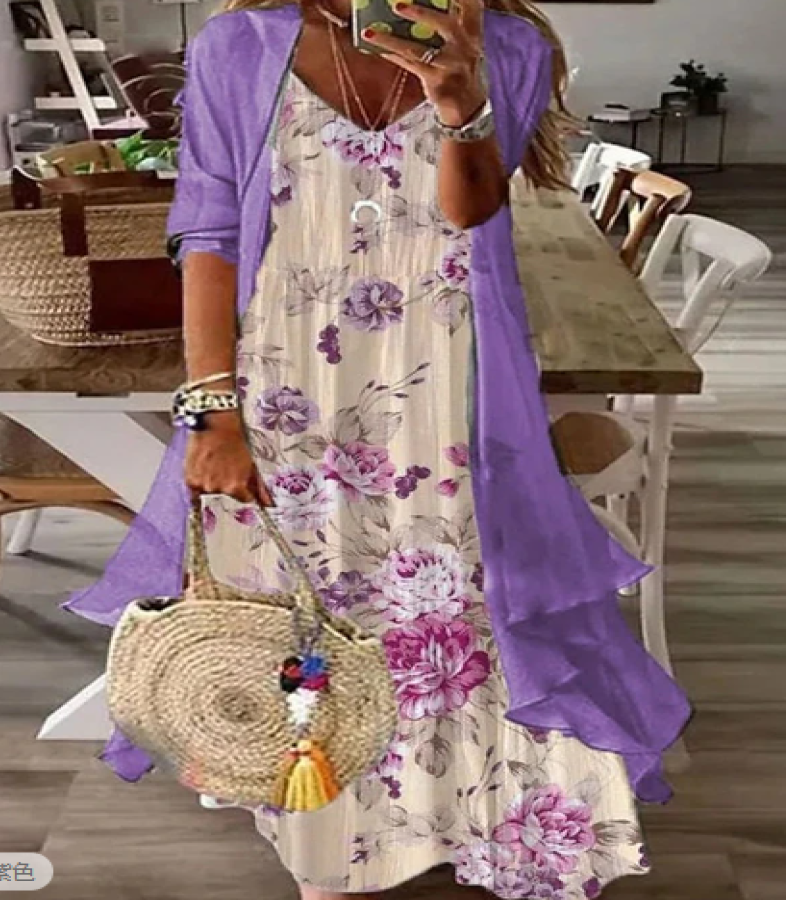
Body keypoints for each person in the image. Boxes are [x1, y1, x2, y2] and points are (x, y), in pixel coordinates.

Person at [65, 0, 691, 895]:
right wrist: (211, 412)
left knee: (467, 609)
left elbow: (475, 212)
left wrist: (459, 99)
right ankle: (333, 858)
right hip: (284, 393)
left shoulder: (507, 46)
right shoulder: (240, 47)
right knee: (307, 616)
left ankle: (489, 836)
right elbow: (208, 234)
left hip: (449, 386)